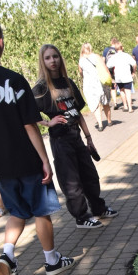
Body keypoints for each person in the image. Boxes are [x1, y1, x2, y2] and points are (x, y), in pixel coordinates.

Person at [0, 18, 75, 275]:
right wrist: (45, 160)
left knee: (17, 211)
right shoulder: (15, 80)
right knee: (41, 212)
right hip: (26, 158)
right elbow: (30, 126)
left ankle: (7, 255)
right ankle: (52, 260)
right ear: (1, 42)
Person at [33, 44, 118, 229]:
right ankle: (81, 217)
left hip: (76, 136)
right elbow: (28, 114)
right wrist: (48, 123)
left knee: (90, 175)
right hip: (60, 140)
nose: (53, 61)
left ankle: (98, 208)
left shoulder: (68, 82)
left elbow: (78, 113)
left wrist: (88, 137)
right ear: (43, 61)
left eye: (55, 56)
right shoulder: (41, 88)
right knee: (71, 181)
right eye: (48, 58)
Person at [78, 43, 112, 131]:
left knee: (95, 104)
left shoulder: (81, 60)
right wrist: (110, 78)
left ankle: (100, 124)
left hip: (89, 84)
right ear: (90, 48)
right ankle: (109, 121)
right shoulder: (96, 56)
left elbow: (81, 73)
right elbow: (105, 68)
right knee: (105, 102)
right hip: (99, 82)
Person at [106, 41, 136, 113]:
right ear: (122, 48)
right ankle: (130, 108)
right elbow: (134, 64)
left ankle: (125, 105)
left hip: (118, 77)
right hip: (127, 76)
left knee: (122, 90)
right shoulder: (126, 55)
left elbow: (108, 65)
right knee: (128, 91)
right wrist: (133, 72)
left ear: (116, 49)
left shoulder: (114, 57)